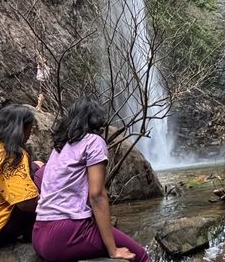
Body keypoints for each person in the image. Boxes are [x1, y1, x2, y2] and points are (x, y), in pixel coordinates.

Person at [32, 96, 149, 262]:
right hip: (65, 235)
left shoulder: (60, 146)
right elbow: (97, 195)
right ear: (96, 120)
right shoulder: (93, 142)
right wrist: (113, 250)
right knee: (141, 256)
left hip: (39, 234)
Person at [0, 104, 44, 248]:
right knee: (43, 176)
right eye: (30, 128)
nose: (30, 133)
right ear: (22, 129)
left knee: (37, 166)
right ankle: (34, 233)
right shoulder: (11, 154)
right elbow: (25, 202)